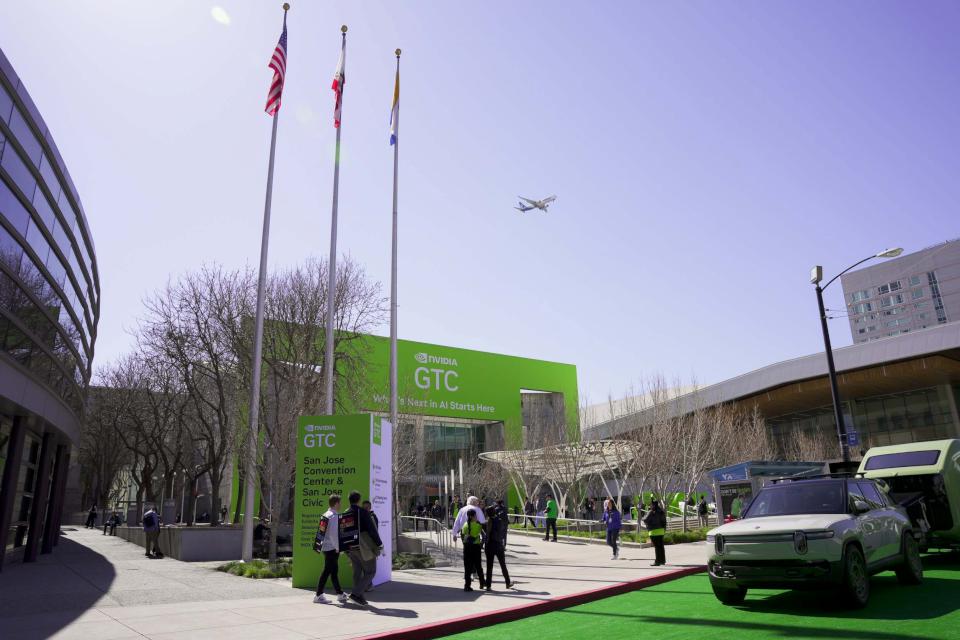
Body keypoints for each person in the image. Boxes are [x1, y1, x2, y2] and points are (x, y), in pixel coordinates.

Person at [341, 490, 382, 607]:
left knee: (357, 572)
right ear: (358, 500)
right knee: (371, 571)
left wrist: (345, 549)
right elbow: (371, 529)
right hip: (364, 547)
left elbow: (342, 532)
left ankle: (359, 597)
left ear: (349, 500)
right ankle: (355, 594)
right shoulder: (363, 512)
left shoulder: (345, 513)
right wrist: (379, 544)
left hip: (350, 547)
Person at [314, 494, 348, 604]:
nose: (341, 504)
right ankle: (318, 595)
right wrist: (338, 548)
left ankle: (340, 593)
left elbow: (321, 532)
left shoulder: (325, 514)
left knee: (333, 571)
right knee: (327, 571)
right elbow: (334, 535)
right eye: (340, 502)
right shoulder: (334, 516)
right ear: (336, 503)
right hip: (332, 548)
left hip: (326, 547)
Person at [484, 501, 513, 590]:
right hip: (498, 545)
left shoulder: (486, 522)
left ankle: (488, 585)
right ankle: (507, 582)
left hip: (489, 545)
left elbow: (486, 534)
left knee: (489, 566)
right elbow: (502, 533)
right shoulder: (499, 521)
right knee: (503, 565)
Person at [461, 509, 486, 592]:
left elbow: (463, 536)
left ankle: (467, 585)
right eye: (475, 515)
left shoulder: (465, 525)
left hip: (467, 548)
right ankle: (482, 583)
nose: (476, 517)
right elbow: (483, 534)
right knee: (478, 566)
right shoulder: (478, 525)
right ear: (472, 516)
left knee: (467, 567)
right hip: (476, 547)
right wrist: (481, 544)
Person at [644, 499, 667, 566]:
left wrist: (644, 517)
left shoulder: (651, 512)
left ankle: (657, 561)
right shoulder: (661, 512)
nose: (650, 506)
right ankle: (662, 560)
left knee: (657, 547)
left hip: (653, 532)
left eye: (651, 505)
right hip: (661, 531)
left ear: (653, 505)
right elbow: (664, 522)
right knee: (661, 547)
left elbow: (645, 520)